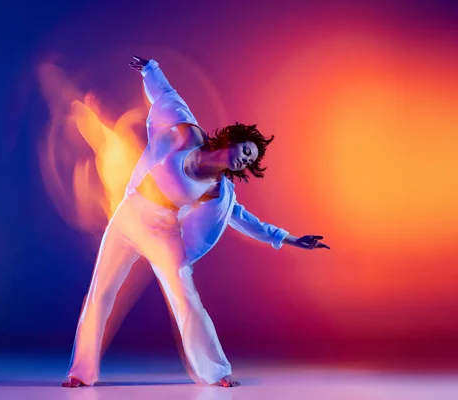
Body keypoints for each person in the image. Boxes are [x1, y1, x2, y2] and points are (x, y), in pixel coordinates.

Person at [62, 56, 330, 388]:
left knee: (186, 298)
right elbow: (167, 98)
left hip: (162, 231)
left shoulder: (219, 192)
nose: (245, 157)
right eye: (245, 149)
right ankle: (80, 373)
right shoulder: (189, 136)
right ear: (231, 140)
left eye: (250, 159)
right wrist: (151, 70)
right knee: (100, 291)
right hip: (130, 216)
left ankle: (216, 372)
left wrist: (289, 239)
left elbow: (248, 222)